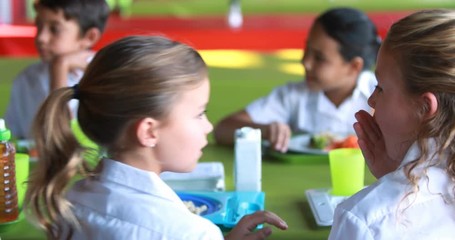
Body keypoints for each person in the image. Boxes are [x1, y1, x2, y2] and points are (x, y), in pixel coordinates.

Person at [24, 35, 288, 239]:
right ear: (149, 131)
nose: (208, 126)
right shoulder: (191, 232)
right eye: (199, 114)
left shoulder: (70, 203)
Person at [329, 9, 455, 239]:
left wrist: (393, 186)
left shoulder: (365, 220)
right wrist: (396, 175)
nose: (371, 100)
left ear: (425, 108)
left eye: (381, 87)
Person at [214, 7, 381, 152]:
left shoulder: (379, 96)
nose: (305, 62)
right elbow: (222, 130)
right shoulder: (294, 96)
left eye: (319, 58)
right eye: (306, 49)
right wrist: (265, 130)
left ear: (354, 67)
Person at [3, 0, 110, 139]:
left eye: (55, 29)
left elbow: (63, 141)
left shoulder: (105, 78)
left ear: (89, 37)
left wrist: (60, 66)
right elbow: (9, 136)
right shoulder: (27, 78)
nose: (41, 37)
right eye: (38, 25)